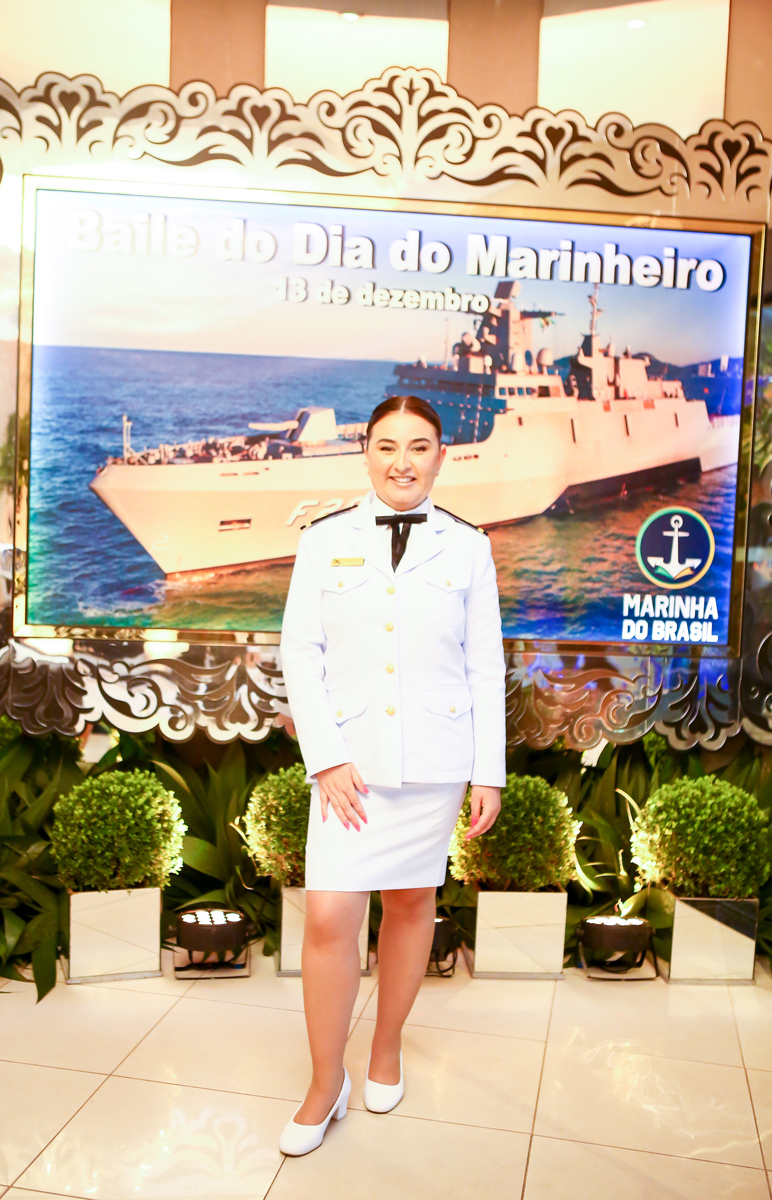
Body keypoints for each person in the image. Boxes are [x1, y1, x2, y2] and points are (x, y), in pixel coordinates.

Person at [278, 394, 506, 1156]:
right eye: (386, 446)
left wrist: (489, 772)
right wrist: (324, 755)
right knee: (328, 917)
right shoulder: (323, 540)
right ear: (365, 452)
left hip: (435, 762)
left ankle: (386, 1046)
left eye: (418, 446)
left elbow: (485, 667)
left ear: (442, 456)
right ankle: (325, 1082)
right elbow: (299, 653)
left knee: (411, 903)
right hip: (347, 767)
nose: (401, 461)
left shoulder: (470, 548)